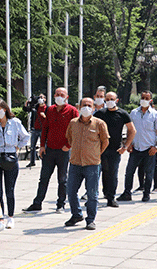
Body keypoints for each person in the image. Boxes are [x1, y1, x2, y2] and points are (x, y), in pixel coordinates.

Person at [24, 87, 79, 213]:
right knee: (44, 178)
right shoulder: (50, 110)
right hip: (49, 150)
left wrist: (69, 145)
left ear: (67, 97)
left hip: (64, 151)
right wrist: (42, 145)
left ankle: (61, 204)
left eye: (62, 94)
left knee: (63, 179)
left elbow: (76, 131)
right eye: (57, 94)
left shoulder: (72, 111)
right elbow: (45, 128)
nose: (59, 96)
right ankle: (37, 203)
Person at [64, 98, 110, 230]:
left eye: (89, 105)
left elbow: (105, 141)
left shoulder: (99, 123)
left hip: (92, 164)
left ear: (94, 107)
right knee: (71, 191)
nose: (86, 108)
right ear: (78, 107)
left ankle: (90, 219)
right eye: (84, 105)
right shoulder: (73, 123)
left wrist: (96, 153)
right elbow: (69, 138)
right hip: (75, 164)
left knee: (92, 194)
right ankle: (76, 214)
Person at [0, 99, 30, 230]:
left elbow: (26, 136)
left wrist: (18, 146)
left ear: (5, 109)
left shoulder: (15, 122)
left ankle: (10, 217)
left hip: (11, 158)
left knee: (10, 190)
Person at [117, 90, 157, 202]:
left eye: (147, 98)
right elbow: (130, 129)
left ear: (151, 100)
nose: (144, 100)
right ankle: (127, 193)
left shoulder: (155, 114)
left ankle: (146, 193)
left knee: (149, 173)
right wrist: (128, 144)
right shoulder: (133, 113)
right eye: (143, 98)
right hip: (135, 148)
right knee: (129, 172)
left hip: (149, 149)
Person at [94, 91, 135, 207]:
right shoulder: (99, 114)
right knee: (97, 173)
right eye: (107, 99)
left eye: (111, 99)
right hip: (100, 149)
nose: (109, 101)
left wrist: (125, 146)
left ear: (117, 100)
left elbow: (132, 130)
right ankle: (96, 196)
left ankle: (111, 198)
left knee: (112, 173)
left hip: (115, 149)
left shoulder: (122, 114)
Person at [26, 94, 46, 167]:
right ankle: (32, 161)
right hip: (35, 129)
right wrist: (27, 104)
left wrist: (44, 116)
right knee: (32, 146)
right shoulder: (36, 107)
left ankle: (44, 162)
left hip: (43, 130)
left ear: (45, 99)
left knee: (43, 146)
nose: (40, 99)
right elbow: (27, 110)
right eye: (39, 97)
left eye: (42, 97)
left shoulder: (47, 108)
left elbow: (50, 119)